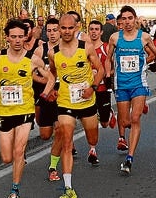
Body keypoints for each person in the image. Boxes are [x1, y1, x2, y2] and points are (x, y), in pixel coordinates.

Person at [0, 20, 56, 198]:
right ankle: (15, 169)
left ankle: (14, 189)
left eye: (21, 36)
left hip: (25, 110)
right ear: (7, 38)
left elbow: (50, 78)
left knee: (19, 151)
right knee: (6, 157)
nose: (18, 40)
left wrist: (44, 95)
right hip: (4, 111)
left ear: (25, 37)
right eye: (14, 37)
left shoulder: (32, 59)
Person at [48, 13, 104, 198]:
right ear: (58, 29)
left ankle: (93, 143)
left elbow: (100, 69)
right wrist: (53, 88)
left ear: (76, 28)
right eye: (62, 28)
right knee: (66, 141)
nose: (66, 31)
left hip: (87, 100)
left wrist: (93, 87)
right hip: (65, 102)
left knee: (92, 138)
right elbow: (54, 74)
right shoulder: (53, 52)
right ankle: (68, 188)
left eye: (69, 28)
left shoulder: (86, 47)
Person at [105, 6, 156, 175]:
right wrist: (108, 73)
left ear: (135, 19)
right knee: (125, 122)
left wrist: (148, 63)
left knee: (135, 119)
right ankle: (137, 110)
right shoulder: (115, 38)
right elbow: (108, 59)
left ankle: (129, 158)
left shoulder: (144, 37)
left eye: (130, 18)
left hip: (139, 83)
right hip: (121, 84)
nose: (127, 22)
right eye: (124, 19)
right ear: (120, 21)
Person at [33, 17, 64, 181]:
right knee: (45, 134)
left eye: (55, 30)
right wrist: (45, 81)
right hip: (45, 95)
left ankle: (53, 167)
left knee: (60, 130)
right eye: (49, 31)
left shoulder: (66, 49)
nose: (52, 34)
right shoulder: (40, 51)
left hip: (62, 96)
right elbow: (31, 73)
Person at [88, 20, 117, 130]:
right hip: (89, 88)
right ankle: (92, 146)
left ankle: (108, 112)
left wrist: (105, 73)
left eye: (96, 29)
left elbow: (115, 68)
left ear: (101, 32)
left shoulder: (105, 48)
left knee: (104, 123)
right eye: (91, 29)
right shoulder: (84, 49)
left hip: (103, 88)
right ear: (88, 31)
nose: (94, 32)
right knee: (90, 117)